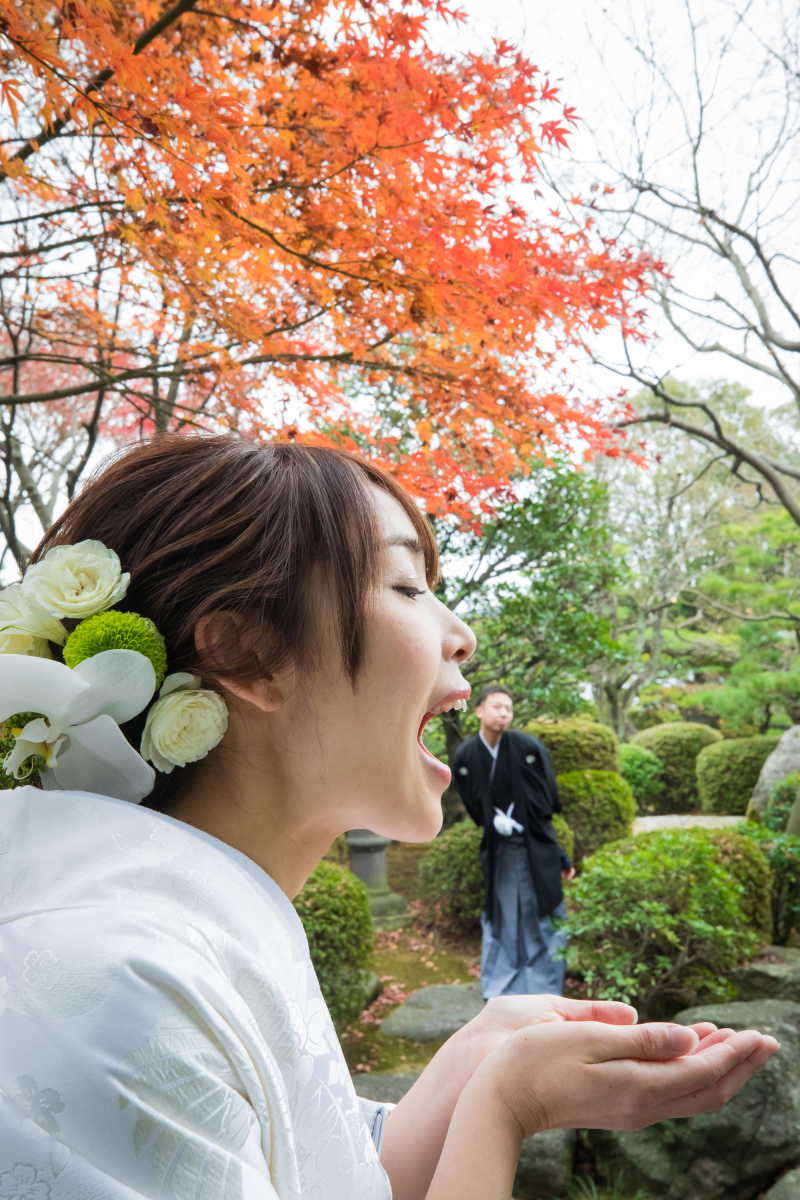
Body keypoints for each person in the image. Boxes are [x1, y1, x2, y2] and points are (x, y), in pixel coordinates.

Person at [0, 434, 778, 1200]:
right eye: (408, 587)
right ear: (247, 655)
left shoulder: (175, 936)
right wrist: (504, 1107)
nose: (462, 636)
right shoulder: (109, 986)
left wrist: (476, 1054)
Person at [452, 685, 573, 1000]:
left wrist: (560, 856)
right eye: (497, 706)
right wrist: (492, 821)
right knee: (502, 915)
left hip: (534, 848)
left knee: (541, 915)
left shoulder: (527, 747)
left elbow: (546, 803)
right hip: (499, 852)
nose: (504, 712)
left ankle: (544, 989)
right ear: (479, 710)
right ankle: (501, 988)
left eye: (508, 708)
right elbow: (472, 802)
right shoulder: (466, 754)